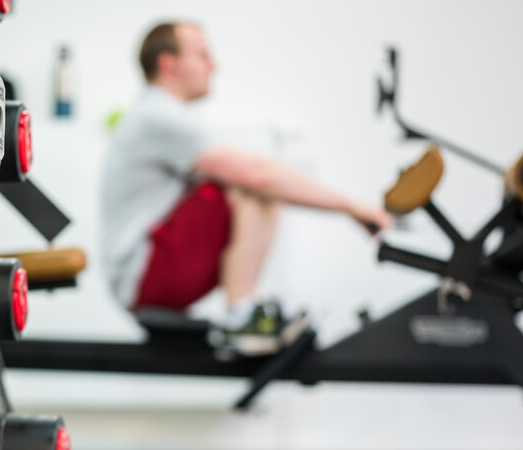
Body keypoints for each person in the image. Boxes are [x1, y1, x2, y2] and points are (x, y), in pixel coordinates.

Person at [99, 21, 393, 350]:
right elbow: (257, 175)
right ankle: (241, 315)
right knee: (253, 185)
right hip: (143, 278)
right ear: (169, 65)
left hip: (147, 276)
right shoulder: (156, 115)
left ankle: (242, 310)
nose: (215, 65)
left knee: (251, 180)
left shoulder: (159, 115)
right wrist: (351, 207)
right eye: (203, 55)